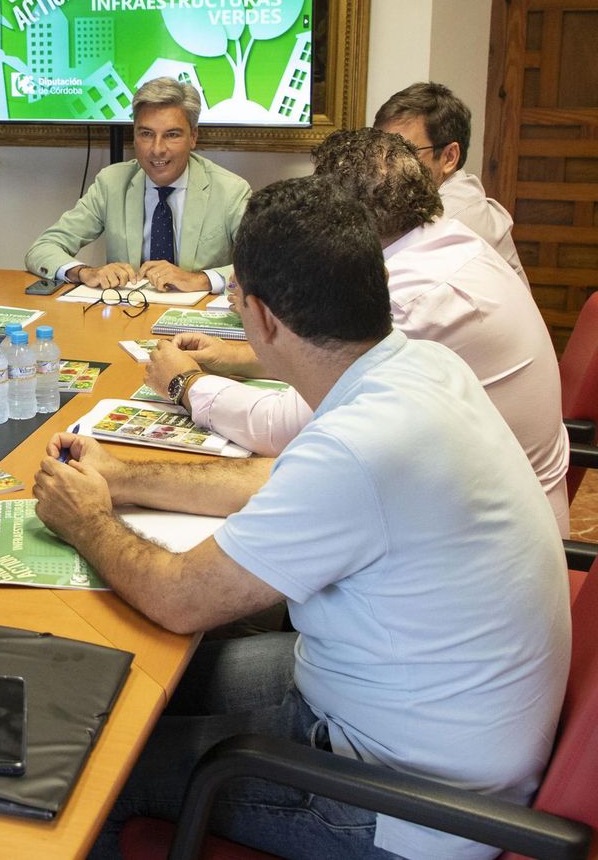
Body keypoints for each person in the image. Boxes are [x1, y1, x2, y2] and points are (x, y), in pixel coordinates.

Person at [37, 176, 570, 860]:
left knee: (99, 775)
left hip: (405, 808)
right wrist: (119, 476)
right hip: (424, 718)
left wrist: (86, 520)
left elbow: (178, 598)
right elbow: (271, 481)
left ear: (258, 317)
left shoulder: (361, 445)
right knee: (139, 681)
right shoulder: (421, 366)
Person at [144, 128, 570, 533]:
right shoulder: (445, 239)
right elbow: (332, 359)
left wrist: (185, 383)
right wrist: (232, 358)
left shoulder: (407, 299)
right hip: (473, 504)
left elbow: (285, 428)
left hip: (473, 534)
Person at [25, 77, 251, 294]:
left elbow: (265, 265)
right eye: (146, 134)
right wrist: (84, 272)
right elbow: (42, 249)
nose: (157, 149)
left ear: (193, 137)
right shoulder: (111, 183)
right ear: (134, 136)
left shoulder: (230, 191)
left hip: (198, 323)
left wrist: (198, 279)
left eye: (172, 135)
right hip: (125, 316)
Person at [375, 81, 527, 285]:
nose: (382, 167)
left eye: (401, 153)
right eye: (378, 151)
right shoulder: (420, 203)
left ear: (449, 157)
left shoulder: (451, 219)